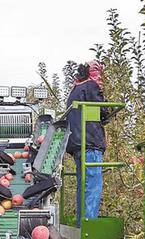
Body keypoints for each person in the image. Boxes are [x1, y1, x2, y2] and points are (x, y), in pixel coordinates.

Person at [65, 60, 106, 226]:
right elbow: (102, 110)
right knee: (93, 185)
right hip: (90, 142)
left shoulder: (74, 89)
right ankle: (89, 224)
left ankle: (82, 222)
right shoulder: (91, 87)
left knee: (83, 185)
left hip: (77, 144)